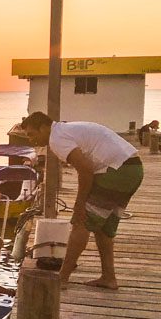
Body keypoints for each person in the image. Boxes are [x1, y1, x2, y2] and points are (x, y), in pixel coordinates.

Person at [20, 111, 144, 289]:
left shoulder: (57, 138)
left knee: (81, 222)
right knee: (103, 229)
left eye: (32, 134)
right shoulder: (66, 129)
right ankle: (109, 277)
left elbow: (85, 170)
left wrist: (79, 204)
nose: (31, 139)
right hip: (133, 169)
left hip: (117, 171)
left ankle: (62, 278)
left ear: (45, 127)